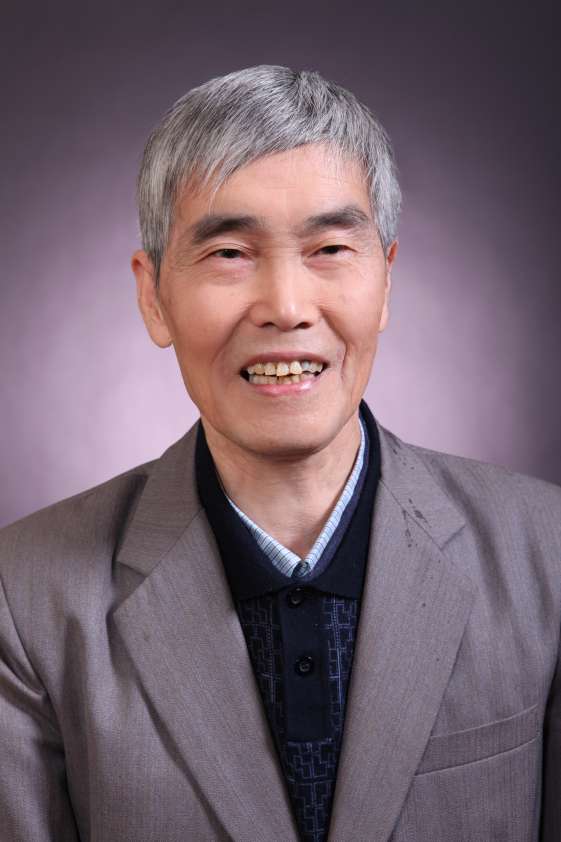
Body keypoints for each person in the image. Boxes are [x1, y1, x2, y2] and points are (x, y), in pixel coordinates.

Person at [0, 64, 560, 842]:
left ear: (386, 280)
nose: (287, 307)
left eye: (329, 247)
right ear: (152, 296)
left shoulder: (546, 554)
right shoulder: (23, 598)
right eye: (229, 253)